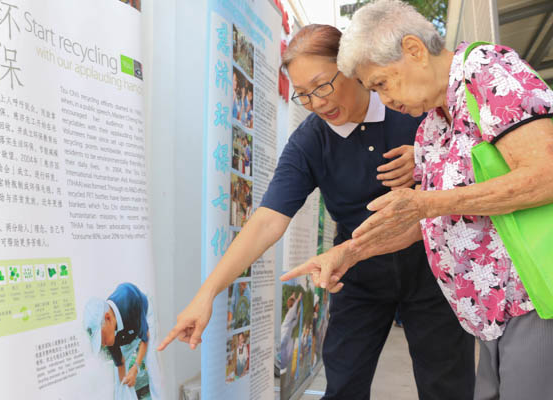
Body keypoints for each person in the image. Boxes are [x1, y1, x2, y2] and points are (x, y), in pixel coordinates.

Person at [158, 24, 475, 400]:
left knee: (447, 384)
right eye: (303, 95)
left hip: (435, 270)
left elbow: (477, 161)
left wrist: (427, 160)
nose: (317, 102)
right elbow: (267, 220)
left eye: (323, 85)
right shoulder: (310, 141)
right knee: (342, 384)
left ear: (353, 67)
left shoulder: (410, 103)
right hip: (357, 276)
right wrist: (207, 293)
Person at [284, 1, 553, 399]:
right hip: (491, 309)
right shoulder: (431, 128)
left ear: (413, 50)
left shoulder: (488, 71)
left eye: (381, 82)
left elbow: (545, 172)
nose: (384, 99)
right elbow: (428, 222)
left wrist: (427, 202)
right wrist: (350, 253)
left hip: (535, 295)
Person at [83, 283, 161, 400]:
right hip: (125, 332)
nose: (103, 344)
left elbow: (145, 339)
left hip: (143, 316)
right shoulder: (109, 335)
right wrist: (126, 380)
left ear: (108, 318)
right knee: (121, 380)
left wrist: (135, 368)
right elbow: (120, 363)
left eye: (102, 339)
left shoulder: (129, 298)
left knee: (151, 361)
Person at [280, 292, 302, 370]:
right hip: (283, 338)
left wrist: (298, 313)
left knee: (286, 356)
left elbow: (294, 323)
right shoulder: (289, 314)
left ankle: (283, 368)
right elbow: (293, 311)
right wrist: (298, 300)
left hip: (285, 339)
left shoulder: (290, 318)